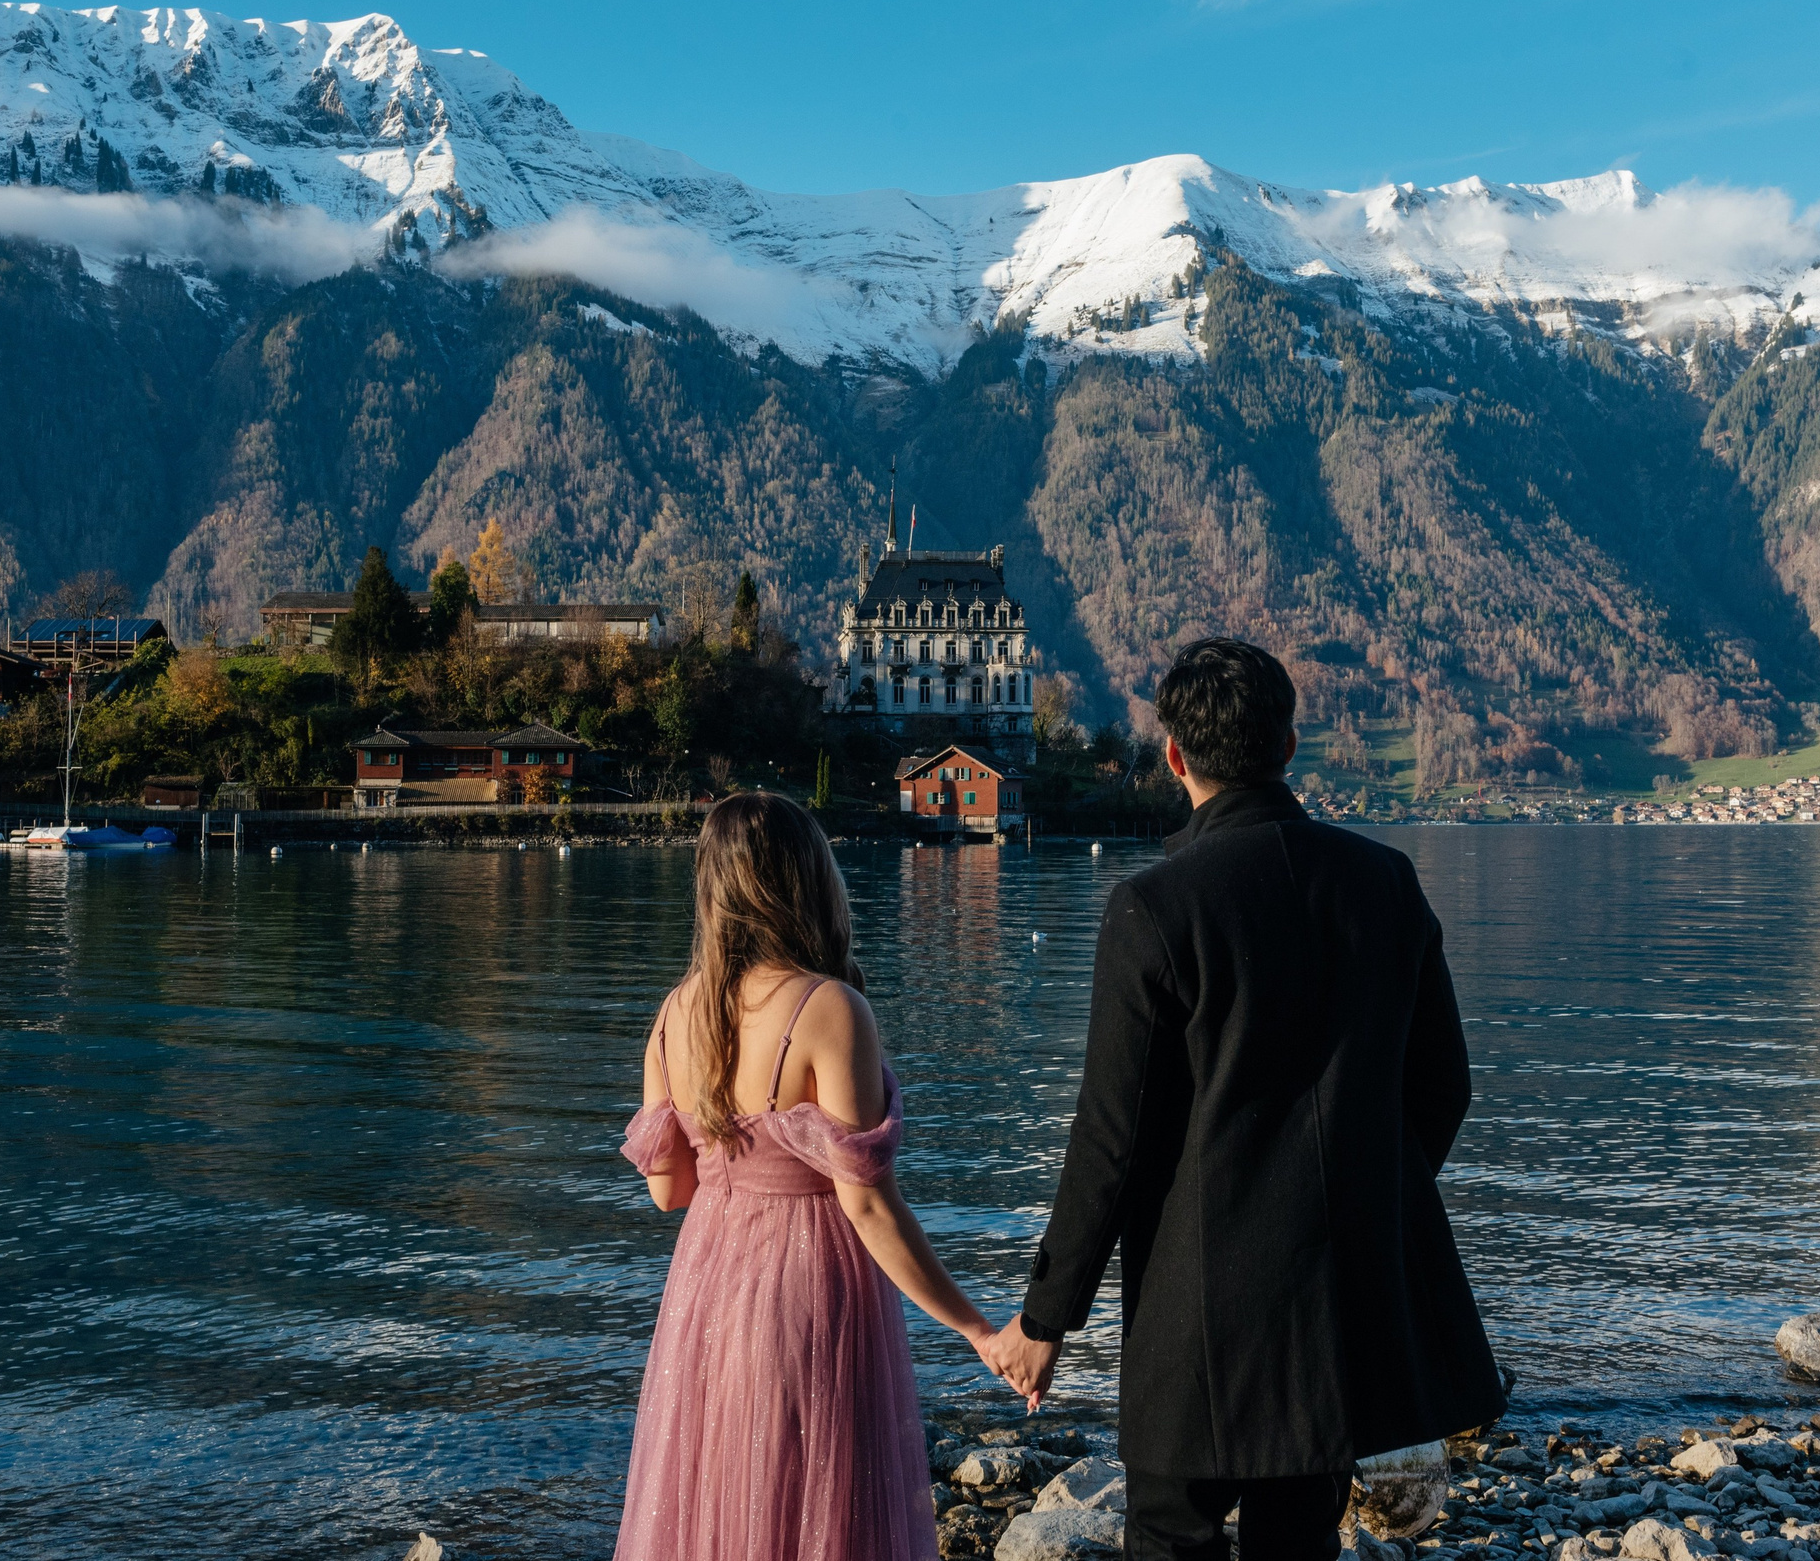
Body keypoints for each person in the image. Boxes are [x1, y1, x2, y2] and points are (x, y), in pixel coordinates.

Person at [985, 637, 1507, 1561]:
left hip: (1196, 1310)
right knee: (1299, 1539)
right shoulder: (1384, 881)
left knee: (1171, 1534)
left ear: (1175, 756)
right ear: (1289, 745)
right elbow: (1444, 1085)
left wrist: (1043, 1321)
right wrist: (1359, 1189)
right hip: (1335, 1304)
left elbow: (1112, 1139)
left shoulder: (1154, 906)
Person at [615, 791, 1003, 1561]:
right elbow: (867, 1204)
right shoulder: (830, 1007)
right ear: (806, 879)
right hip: (806, 1288)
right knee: (819, 1507)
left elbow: (671, 1192)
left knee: (726, 1504)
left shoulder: (672, 1014)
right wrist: (980, 1329)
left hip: (704, 1299)